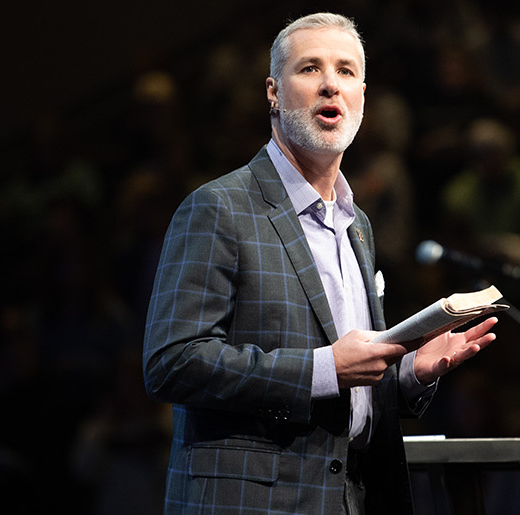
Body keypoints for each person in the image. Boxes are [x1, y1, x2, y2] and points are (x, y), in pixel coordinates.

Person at [143, 13, 500, 514]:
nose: (331, 83)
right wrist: (323, 369)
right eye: (310, 68)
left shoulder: (358, 225)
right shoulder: (219, 208)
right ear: (273, 92)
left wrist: (407, 376)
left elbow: (351, 392)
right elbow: (171, 362)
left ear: (363, 97)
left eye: (347, 71)